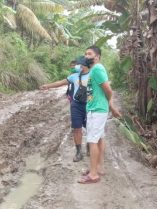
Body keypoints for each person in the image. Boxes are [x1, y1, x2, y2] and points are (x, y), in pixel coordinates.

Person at [78, 46, 122, 184]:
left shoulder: (97, 69)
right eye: (85, 53)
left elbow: (108, 90)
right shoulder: (93, 70)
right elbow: (102, 92)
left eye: (89, 53)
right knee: (99, 138)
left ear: (97, 56)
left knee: (92, 140)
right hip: (96, 109)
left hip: (96, 111)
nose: (86, 56)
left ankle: (93, 175)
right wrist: (111, 108)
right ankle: (98, 167)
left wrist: (110, 105)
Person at [40, 57, 90, 162]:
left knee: (90, 128)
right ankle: (78, 152)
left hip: (90, 105)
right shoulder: (74, 76)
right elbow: (60, 82)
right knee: (77, 128)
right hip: (76, 105)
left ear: (84, 65)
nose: (77, 66)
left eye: (78, 64)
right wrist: (47, 86)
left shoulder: (93, 75)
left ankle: (90, 146)